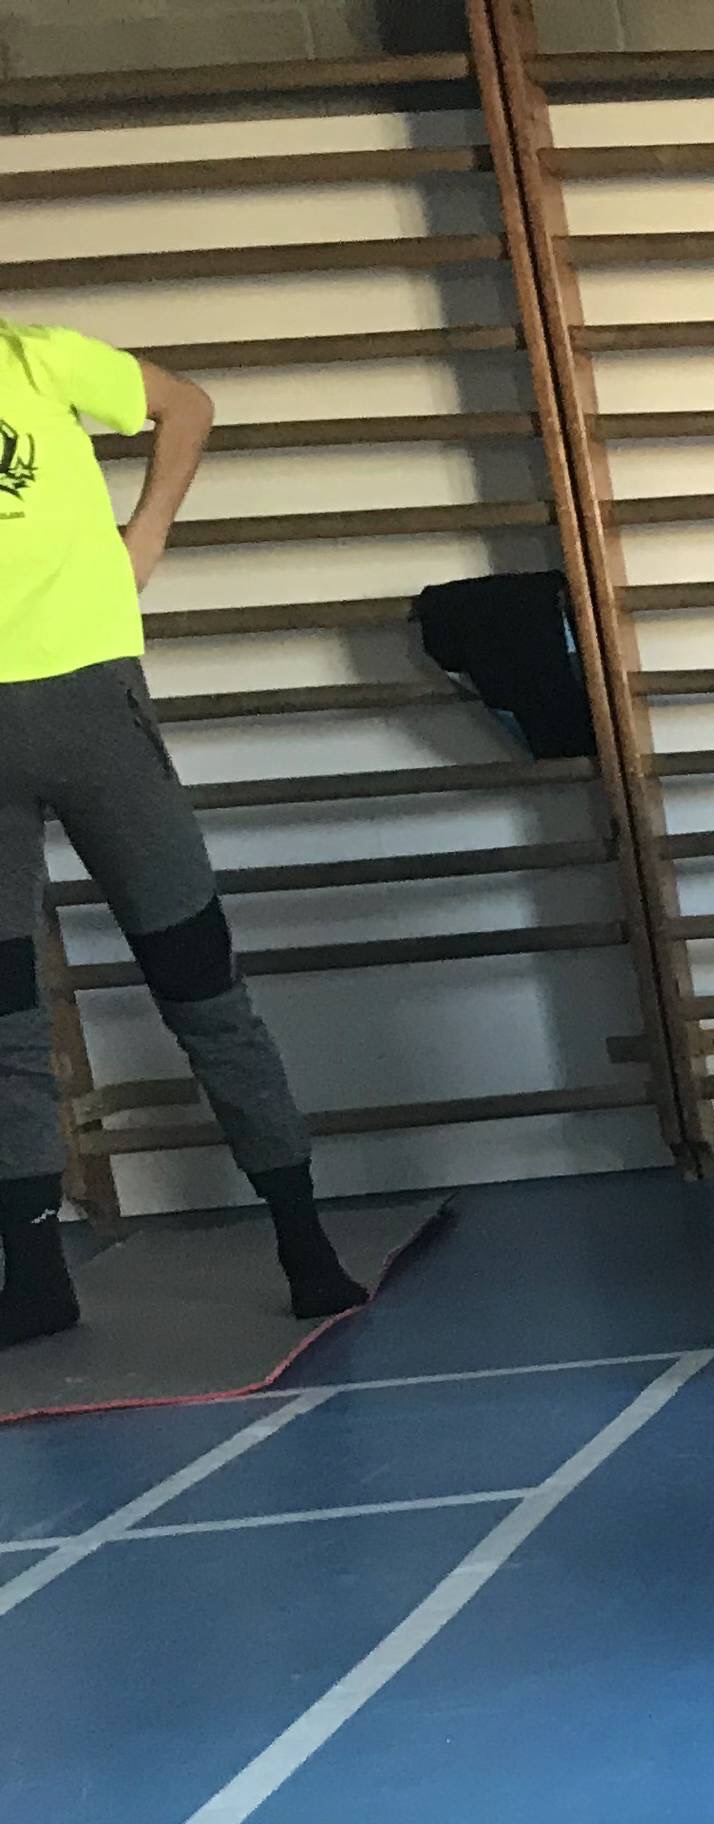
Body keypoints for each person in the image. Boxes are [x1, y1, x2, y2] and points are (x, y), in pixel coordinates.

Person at [0, 318, 362, 1347]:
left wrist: (146, 533)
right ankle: (35, 1278)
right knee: (3, 1019)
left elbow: (186, 403)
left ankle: (304, 1244)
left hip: (93, 713)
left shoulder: (36, 357)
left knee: (200, 984)